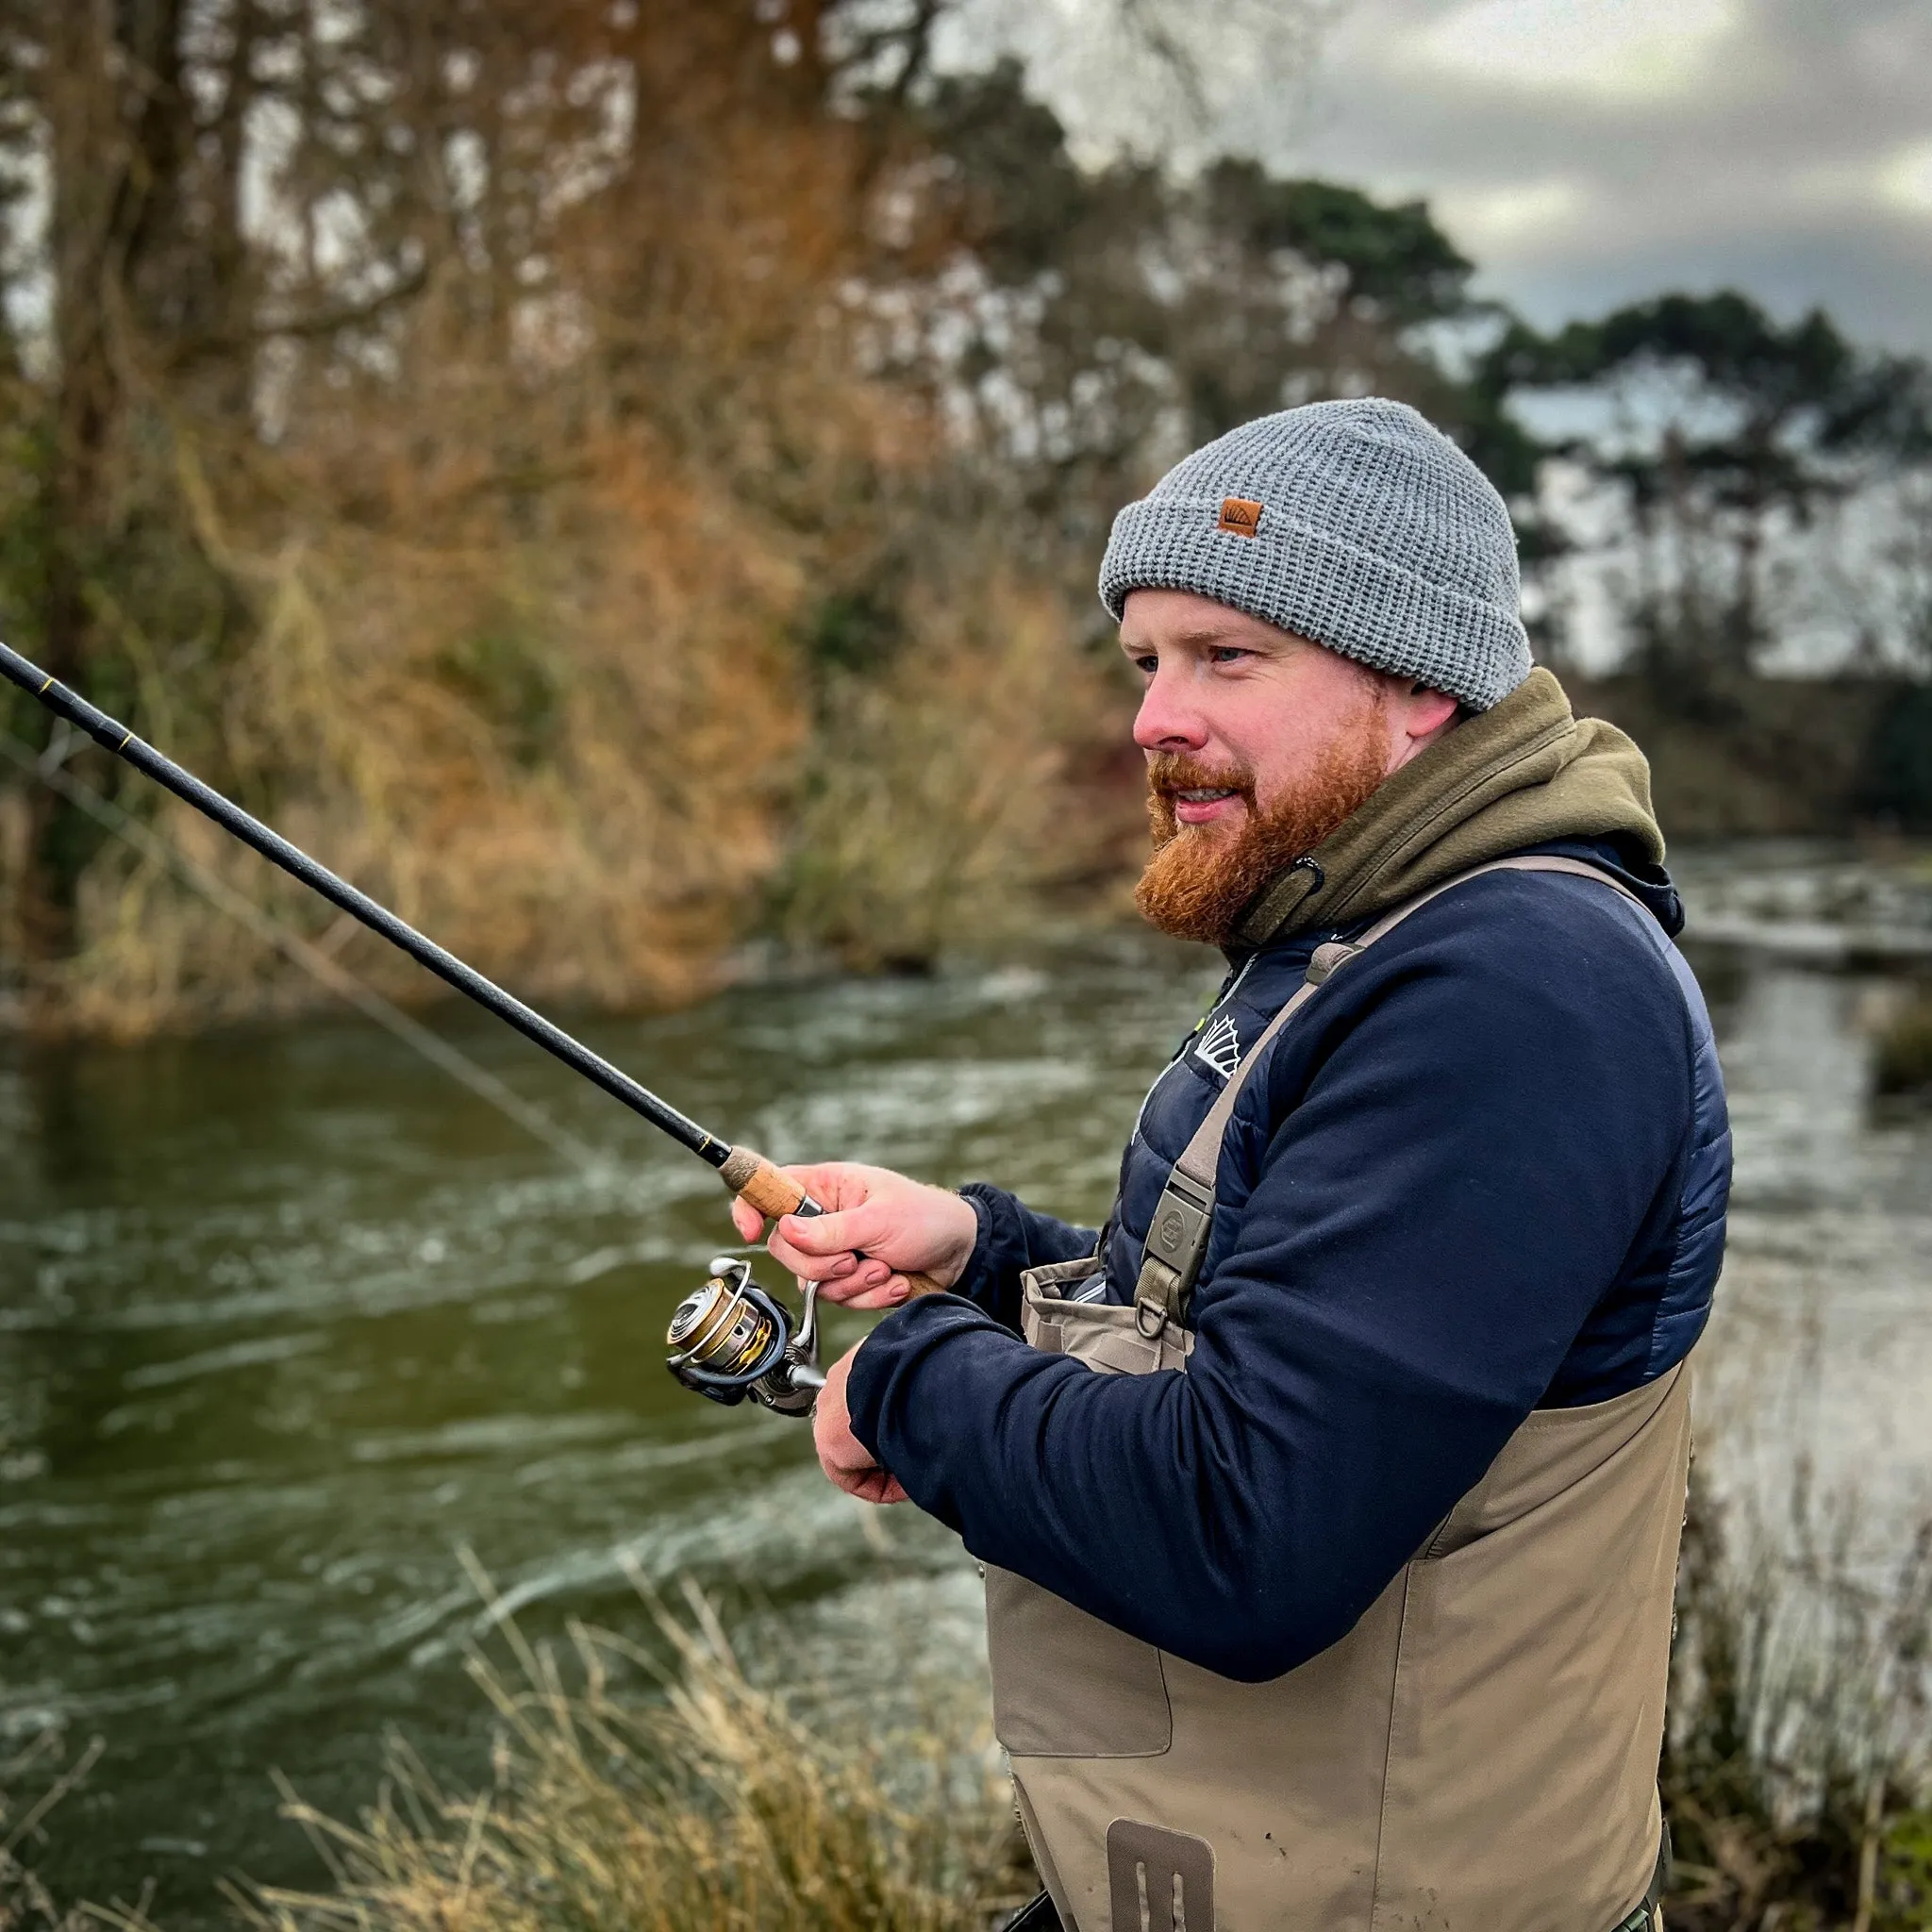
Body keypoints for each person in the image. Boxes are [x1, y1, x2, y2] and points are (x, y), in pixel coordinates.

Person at [732, 398, 1730, 1932]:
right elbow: (1307, 1328)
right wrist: (978, 1257)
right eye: (1146, 662)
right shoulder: (1369, 920)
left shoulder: (1518, 986)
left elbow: (1244, 1530)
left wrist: (907, 1382)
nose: (1152, 719)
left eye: (1227, 657)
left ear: (1417, 682)